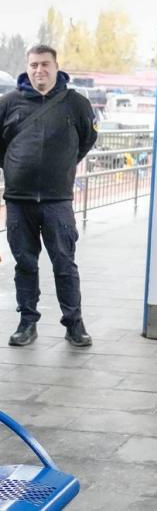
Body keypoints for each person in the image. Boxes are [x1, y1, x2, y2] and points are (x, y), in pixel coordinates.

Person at [2, 44, 97, 348]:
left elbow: (87, 139)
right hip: (19, 200)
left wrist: (63, 167)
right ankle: (27, 323)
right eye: (33, 65)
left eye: (45, 64)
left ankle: (74, 324)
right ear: (27, 68)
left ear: (57, 66)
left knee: (64, 264)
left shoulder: (76, 104)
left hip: (58, 201)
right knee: (25, 264)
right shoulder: (9, 102)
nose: (39, 70)